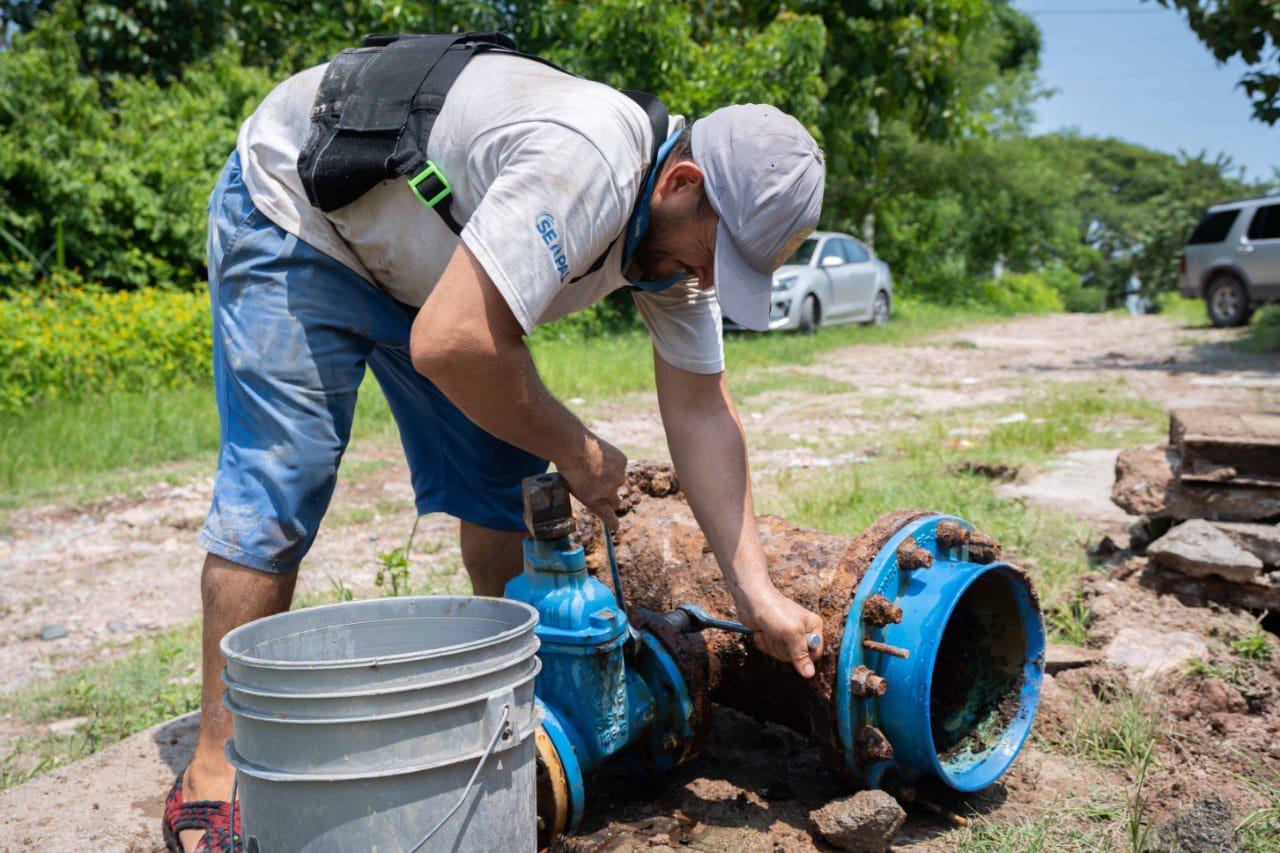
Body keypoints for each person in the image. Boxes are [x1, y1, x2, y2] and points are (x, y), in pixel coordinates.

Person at [163, 35, 827, 853]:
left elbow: (701, 410)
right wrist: (581, 453)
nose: (712, 282)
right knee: (281, 487)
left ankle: (523, 716)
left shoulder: (670, 246)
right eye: (717, 257)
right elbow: (454, 343)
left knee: (503, 488)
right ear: (682, 183)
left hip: (426, 270)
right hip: (300, 216)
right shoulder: (592, 162)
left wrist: (753, 591)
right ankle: (213, 769)